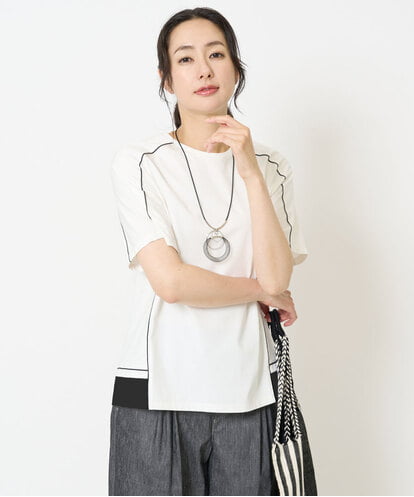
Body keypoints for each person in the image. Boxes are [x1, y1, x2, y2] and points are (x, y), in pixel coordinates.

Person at [108, 7, 316, 496]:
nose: (203, 69)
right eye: (186, 59)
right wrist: (260, 291)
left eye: (216, 54)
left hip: (253, 390)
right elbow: (172, 283)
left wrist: (249, 173)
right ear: (167, 79)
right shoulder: (140, 163)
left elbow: (277, 277)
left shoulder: (271, 165)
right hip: (157, 392)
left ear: (236, 69)